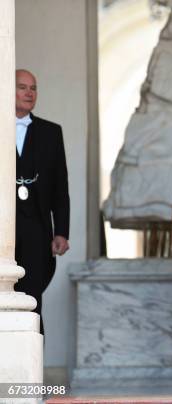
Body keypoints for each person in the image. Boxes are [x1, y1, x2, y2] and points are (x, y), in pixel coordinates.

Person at [14, 69, 70, 334]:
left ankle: (31, 371)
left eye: (33, 88)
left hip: (37, 233)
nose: (29, 93)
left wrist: (61, 231)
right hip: (3, 233)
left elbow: (60, 188)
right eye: (22, 87)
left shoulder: (51, 132)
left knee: (32, 303)